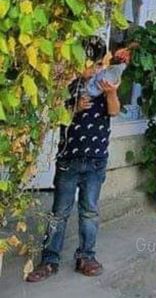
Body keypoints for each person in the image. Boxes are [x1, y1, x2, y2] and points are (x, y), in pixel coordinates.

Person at [26, 37, 121, 283]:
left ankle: (86, 256)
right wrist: (74, 108)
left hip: (95, 160)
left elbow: (114, 111)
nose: (95, 70)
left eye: (100, 64)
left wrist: (111, 94)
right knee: (59, 212)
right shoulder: (69, 87)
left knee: (89, 211)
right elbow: (58, 115)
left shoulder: (105, 86)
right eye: (91, 64)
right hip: (68, 160)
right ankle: (49, 260)